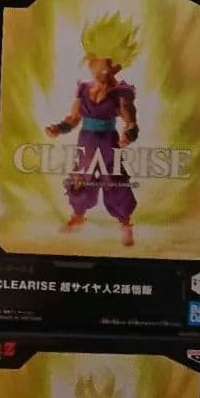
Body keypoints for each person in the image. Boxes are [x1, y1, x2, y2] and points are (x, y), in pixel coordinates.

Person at [45, 12, 139, 247]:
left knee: (114, 180)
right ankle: (78, 216)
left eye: (105, 63)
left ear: (114, 65)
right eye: (94, 60)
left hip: (108, 142)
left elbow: (130, 122)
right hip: (86, 141)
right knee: (80, 178)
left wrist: (130, 133)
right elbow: (74, 117)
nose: (97, 66)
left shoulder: (121, 93)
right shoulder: (84, 89)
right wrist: (59, 127)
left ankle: (125, 223)